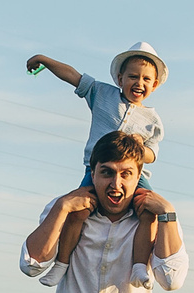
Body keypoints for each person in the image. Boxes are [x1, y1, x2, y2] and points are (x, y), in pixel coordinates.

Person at [19, 129, 187, 293]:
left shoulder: (158, 219)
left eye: (126, 174)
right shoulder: (66, 210)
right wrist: (62, 207)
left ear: (139, 176)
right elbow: (32, 264)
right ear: (92, 173)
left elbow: (171, 280)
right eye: (107, 172)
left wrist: (168, 214)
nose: (115, 184)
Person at [23, 40, 168, 278]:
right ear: (119, 79)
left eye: (145, 79)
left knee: (148, 213)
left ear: (154, 84)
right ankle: (61, 264)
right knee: (78, 211)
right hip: (96, 172)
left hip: (135, 178)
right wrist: (45, 61)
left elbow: (153, 154)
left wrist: (140, 148)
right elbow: (74, 76)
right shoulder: (102, 94)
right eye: (132, 77)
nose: (138, 83)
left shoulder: (152, 119)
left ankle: (140, 266)